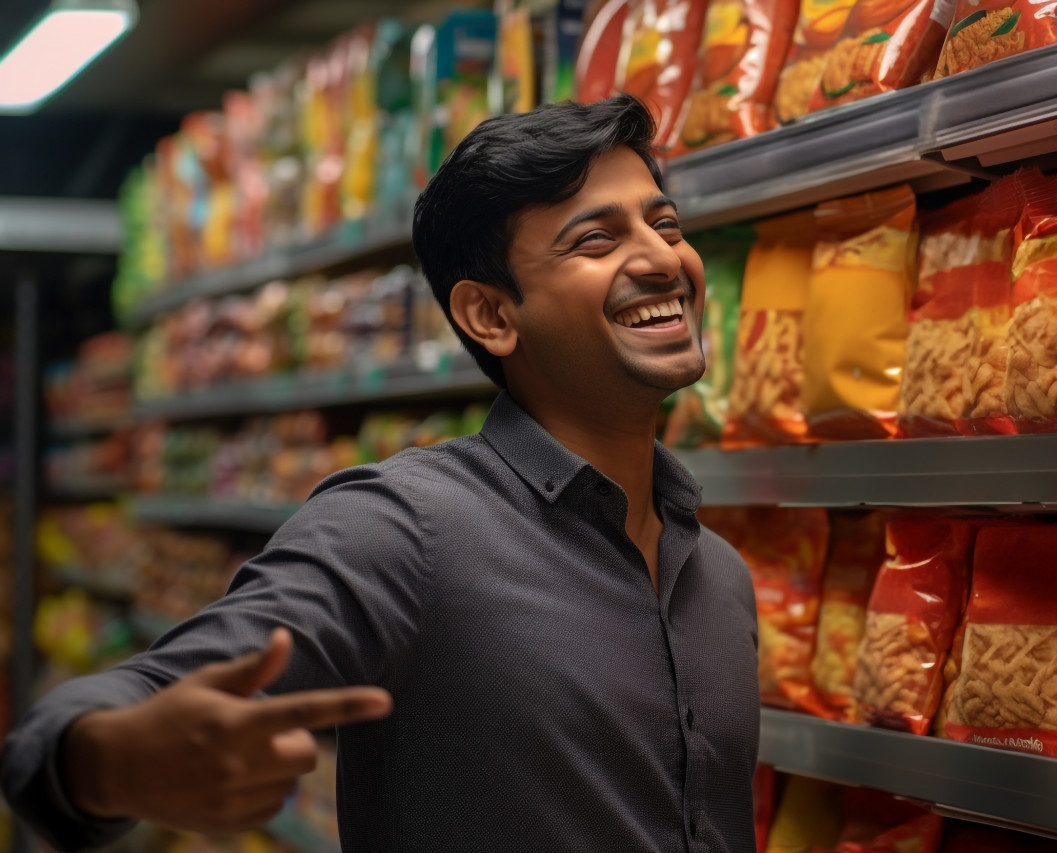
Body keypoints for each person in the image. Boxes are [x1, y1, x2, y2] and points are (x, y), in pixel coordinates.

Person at [1, 94, 760, 852]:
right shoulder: (409, 529)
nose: (665, 258)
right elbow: (103, 714)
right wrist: (110, 759)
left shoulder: (718, 577)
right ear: (491, 316)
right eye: (595, 240)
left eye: (665, 225)